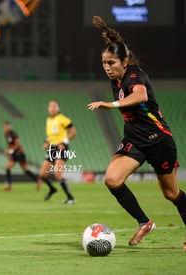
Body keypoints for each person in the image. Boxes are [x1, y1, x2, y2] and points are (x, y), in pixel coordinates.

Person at [88, 16, 186, 250]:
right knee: (112, 179)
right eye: (104, 63)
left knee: (171, 193)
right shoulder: (117, 78)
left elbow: (140, 96)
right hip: (135, 140)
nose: (107, 67)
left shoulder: (134, 74)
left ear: (125, 60)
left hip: (158, 139)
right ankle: (144, 221)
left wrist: (110, 105)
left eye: (111, 62)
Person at [37, 100, 76, 204]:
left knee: (57, 175)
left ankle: (71, 198)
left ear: (58, 108)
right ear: (48, 109)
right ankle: (52, 189)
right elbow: (51, 136)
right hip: (52, 148)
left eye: (55, 106)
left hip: (61, 148)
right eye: (50, 106)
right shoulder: (48, 120)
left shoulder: (63, 119)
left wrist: (64, 143)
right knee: (42, 175)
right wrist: (46, 142)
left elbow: (73, 132)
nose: (52, 108)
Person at [2, 121, 38, 191]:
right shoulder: (6, 134)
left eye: (7, 126)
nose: (6, 128)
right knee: (8, 167)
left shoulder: (13, 134)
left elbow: (18, 144)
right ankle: (9, 185)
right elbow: (10, 145)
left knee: (25, 170)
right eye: (4, 127)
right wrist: (8, 149)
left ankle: (38, 180)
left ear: (9, 127)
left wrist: (10, 151)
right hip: (14, 154)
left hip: (19, 153)